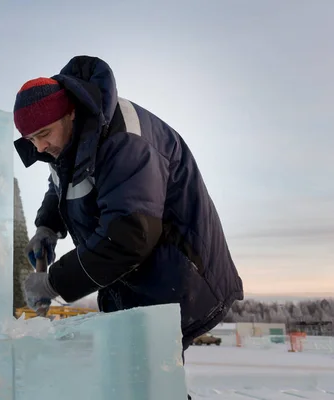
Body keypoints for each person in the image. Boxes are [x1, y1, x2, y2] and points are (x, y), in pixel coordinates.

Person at [14, 55, 244, 357]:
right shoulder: (71, 140)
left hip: (179, 278)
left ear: (70, 112)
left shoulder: (126, 141)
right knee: (134, 381)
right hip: (135, 282)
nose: (40, 147)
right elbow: (63, 182)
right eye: (31, 139)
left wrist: (53, 282)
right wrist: (48, 226)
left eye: (44, 134)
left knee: (144, 380)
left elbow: (128, 235)